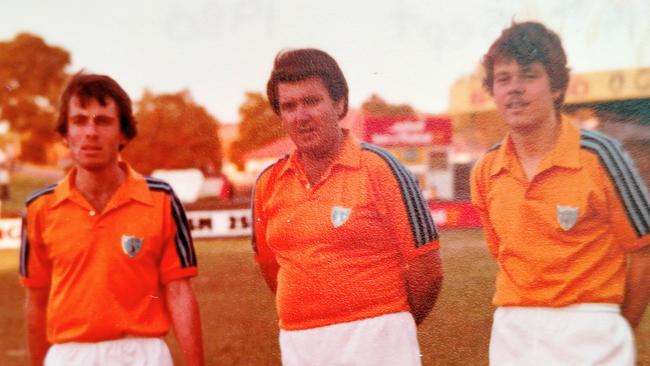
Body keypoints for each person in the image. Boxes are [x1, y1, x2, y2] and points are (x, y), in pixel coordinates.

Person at [470, 21, 650, 365]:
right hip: (513, 329)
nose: (515, 89)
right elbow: (503, 252)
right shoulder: (486, 169)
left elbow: (643, 251)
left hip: (590, 326)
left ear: (557, 86)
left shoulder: (601, 155)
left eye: (529, 75)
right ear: (492, 91)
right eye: (503, 79)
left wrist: (617, 329)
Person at [252, 48, 443, 366]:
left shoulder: (381, 167)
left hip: (377, 338)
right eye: (289, 106)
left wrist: (386, 324)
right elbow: (271, 267)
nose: (301, 116)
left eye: (312, 101)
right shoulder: (268, 183)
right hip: (300, 343)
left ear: (339, 103)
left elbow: (427, 269)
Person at [19, 73, 204, 366]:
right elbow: (37, 300)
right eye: (79, 121)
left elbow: (180, 292)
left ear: (123, 133)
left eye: (103, 121)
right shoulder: (40, 207)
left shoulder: (161, 199)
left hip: (142, 354)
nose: (91, 132)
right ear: (65, 134)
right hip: (70, 355)